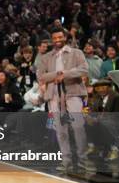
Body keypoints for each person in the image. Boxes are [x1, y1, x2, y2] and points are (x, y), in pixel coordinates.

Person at [37, 28, 90, 174]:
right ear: (51, 40)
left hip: (73, 93)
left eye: (60, 37)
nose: (57, 40)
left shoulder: (76, 53)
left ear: (65, 37)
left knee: (78, 127)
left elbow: (84, 70)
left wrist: (65, 74)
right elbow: (41, 76)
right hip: (54, 96)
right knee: (61, 131)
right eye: (54, 38)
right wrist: (57, 75)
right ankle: (67, 162)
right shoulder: (46, 57)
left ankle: (83, 161)